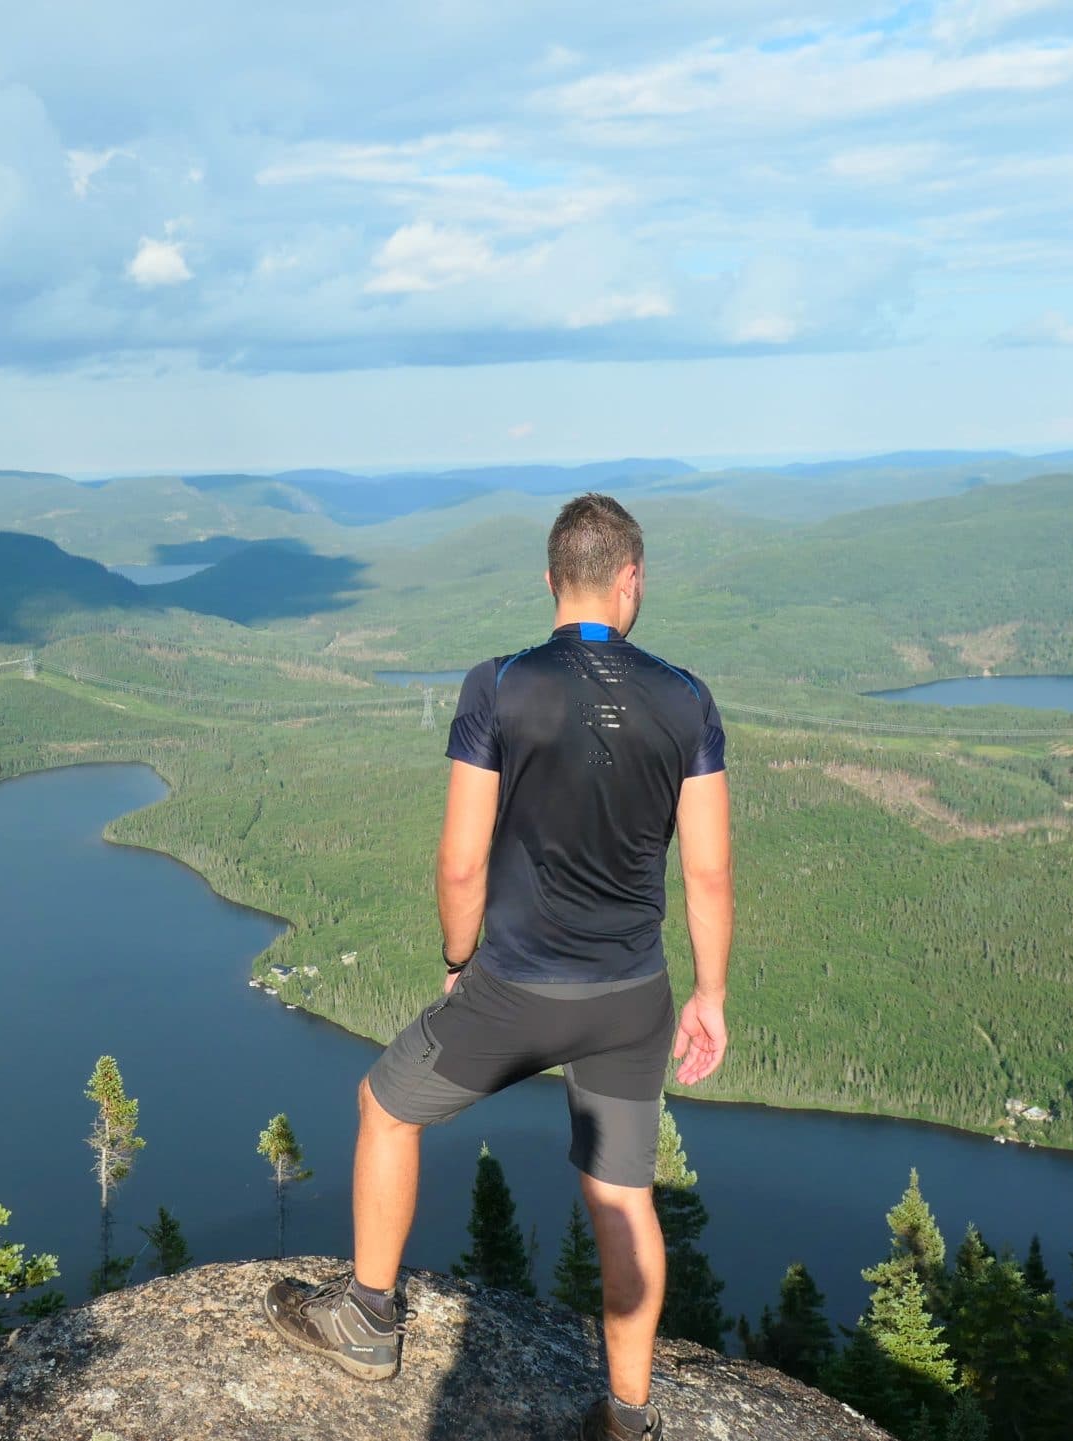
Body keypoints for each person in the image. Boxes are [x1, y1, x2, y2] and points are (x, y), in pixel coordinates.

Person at [263, 493, 734, 1441]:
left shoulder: (501, 684)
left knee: (385, 1106)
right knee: (623, 1195)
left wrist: (457, 960)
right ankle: (629, 1415)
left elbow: (461, 860)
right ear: (631, 577)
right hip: (630, 1000)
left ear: (552, 578)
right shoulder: (686, 697)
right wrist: (712, 994)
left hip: (514, 988)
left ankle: (367, 1318)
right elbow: (710, 870)